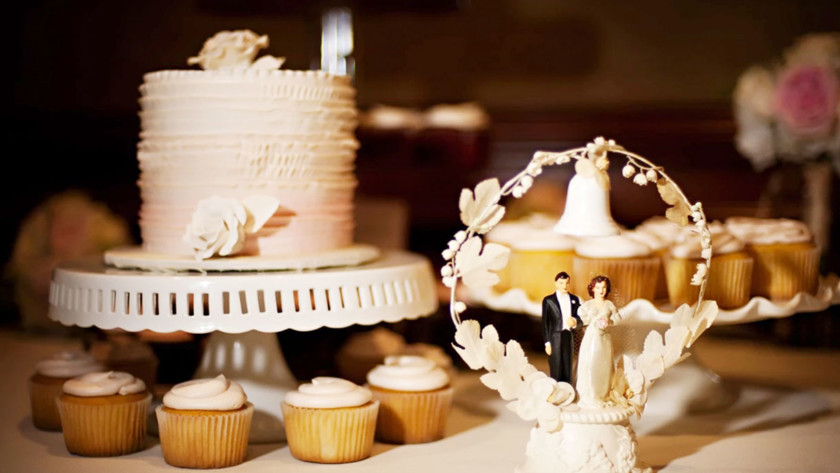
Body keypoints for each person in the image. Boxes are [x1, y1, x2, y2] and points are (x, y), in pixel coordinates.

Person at [575, 275, 622, 408]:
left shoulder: (609, 304)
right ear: (593, 289)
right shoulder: (587, 305)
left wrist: (610, 321)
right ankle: (591, 395)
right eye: (598, 287)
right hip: (592, 337)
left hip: (605, 338)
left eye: (604, 287)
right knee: (591, 363)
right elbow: (582, 320)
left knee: (604, 365)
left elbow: (618, 318)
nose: (601, 290)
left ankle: (603, 394)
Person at [541, 272, 582, 384]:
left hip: (568, 335)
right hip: (555, 336)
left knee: (567, 363)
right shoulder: (548, 300)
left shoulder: (574, 299)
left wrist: (575, 322)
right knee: (556, 364)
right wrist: (547, 343)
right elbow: (545, 323)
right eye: (561, 283)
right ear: (556, 284)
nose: (565, 286)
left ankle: (567, 389)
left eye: (567, 283)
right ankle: (556, 388)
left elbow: (581, 318)